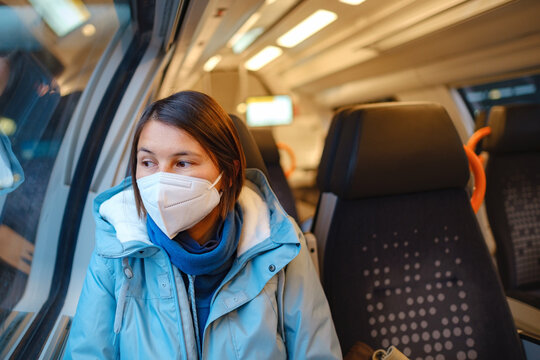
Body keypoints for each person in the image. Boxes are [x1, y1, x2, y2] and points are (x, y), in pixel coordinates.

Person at [64, 91, 342, 359]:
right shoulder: (117, 251)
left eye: (182, 163)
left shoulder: (279, 244)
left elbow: (315, 351)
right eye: (147, 162)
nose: (160, 183)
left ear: (229, 173)